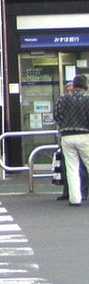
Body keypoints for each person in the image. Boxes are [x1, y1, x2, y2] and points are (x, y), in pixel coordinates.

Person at [53, 74, 89, 206]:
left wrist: (63, 125)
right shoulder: (87, 99)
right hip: (85, 135)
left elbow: (56, 114)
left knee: (72, 168)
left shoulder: (63, 98)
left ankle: (75, 199)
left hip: (67, 135)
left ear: (73, 86)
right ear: (86, 86)